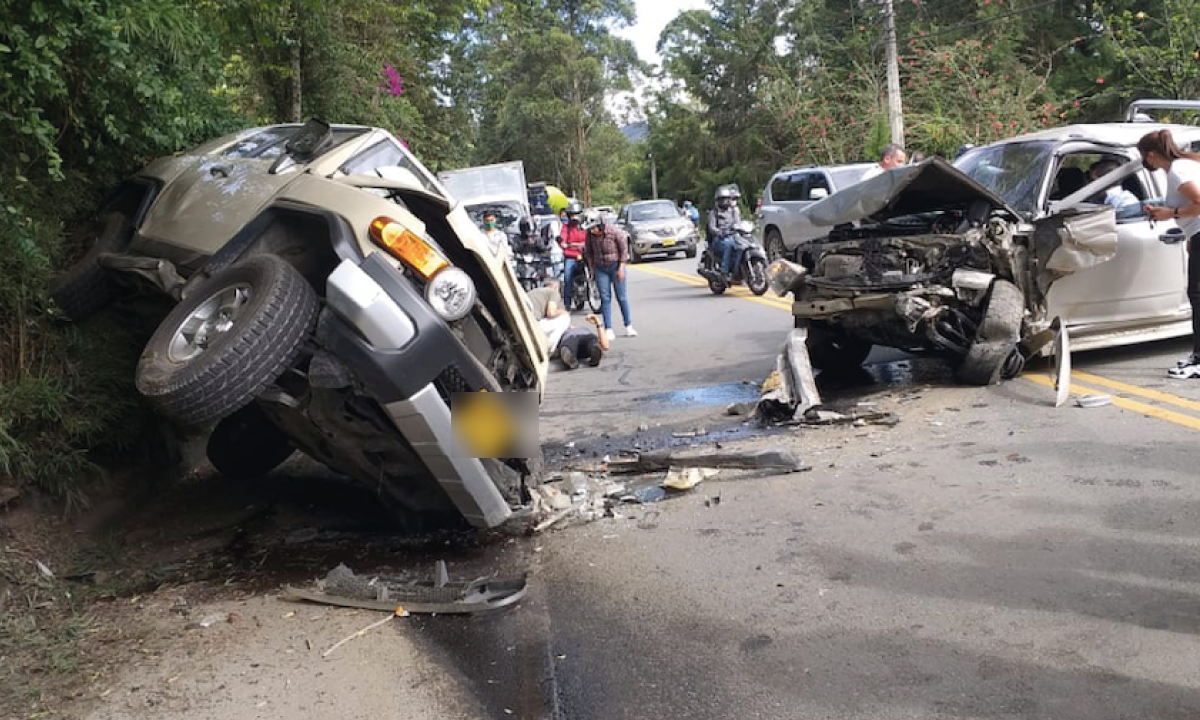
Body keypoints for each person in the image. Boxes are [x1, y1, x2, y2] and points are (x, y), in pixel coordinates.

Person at [1138, 128, 1200, 378]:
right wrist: (1190, 236)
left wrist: (1170, 214)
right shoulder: (1186, 165)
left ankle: (1199, 360)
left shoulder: (1178, 171)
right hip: (1197, 234)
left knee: (1197, 296)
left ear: (1151, 155)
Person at [582, 210, 636, 340]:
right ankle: (608, 328)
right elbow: (589, 252)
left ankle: (628, 325)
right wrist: (592, 269)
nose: (593, 231)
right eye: (591, 229)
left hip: (615, 266)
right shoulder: (590, 235)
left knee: (621, 297)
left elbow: (624, 250)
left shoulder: (614, 232)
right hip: (600, 268)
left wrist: (621, 267)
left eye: (594, 228)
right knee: (605, 298)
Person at [707, 185, 742, 280]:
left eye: (726, 199)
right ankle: (724, 271)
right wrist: (720, 232)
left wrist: (741, 228)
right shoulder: (713, 213)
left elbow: (738, 222)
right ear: (717, 200)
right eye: (722, 199)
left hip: (733, 236)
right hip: (719, 239)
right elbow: (712, 227)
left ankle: (739, 268)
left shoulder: (733, 211)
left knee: (743, 245)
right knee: (729, 245)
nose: (725, 202)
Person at [525, 278, 571, 351]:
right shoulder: (553, 292)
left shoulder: (533, 292)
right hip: (534, 325)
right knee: (566, 318)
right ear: (555, 287)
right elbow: (551, 313)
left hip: (525, 322)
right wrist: (564, 312)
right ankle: (549, 347)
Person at [559, 200, 587, 308]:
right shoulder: (566, 227)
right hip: (571, 256)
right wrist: (563, 243)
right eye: (572, 214)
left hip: (585, 255)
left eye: (577, 214)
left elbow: (591, 237)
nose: (574, 217)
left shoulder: (585, 226)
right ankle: (567, 304)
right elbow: (562, 237)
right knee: (567, 277)